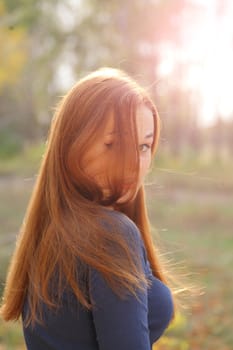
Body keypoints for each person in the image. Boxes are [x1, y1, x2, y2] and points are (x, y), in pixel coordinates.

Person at [1, 67, 175, 349]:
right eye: (113, 143)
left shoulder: (51, 230)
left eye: (144, 146)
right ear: (72, 145)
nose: (134, 163)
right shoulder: (111, 234)